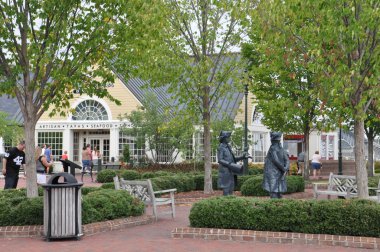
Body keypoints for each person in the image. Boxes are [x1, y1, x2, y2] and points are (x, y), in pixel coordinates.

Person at [217, 131, 249, 196]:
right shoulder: (221, 147)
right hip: (225, 172)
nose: (229, 139)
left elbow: (233, 159)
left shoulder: (228, 147)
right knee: (226, 189)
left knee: (231, 188)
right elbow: (220, 160)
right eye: (228, 137)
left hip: (231, 172)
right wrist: (230, 164)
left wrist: (242, 157)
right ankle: (226, 204)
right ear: (224, 138)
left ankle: (231, 203)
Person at [262, 132, 289, 199]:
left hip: (273, 174)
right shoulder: (281, 149)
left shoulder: (273, 148)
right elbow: (287, 160)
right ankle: (278, 206)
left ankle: (274, 207)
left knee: (274, 191)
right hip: (279, 173)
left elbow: (276, 160)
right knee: (278, 191)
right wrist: (285, 168)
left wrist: (284, 169)